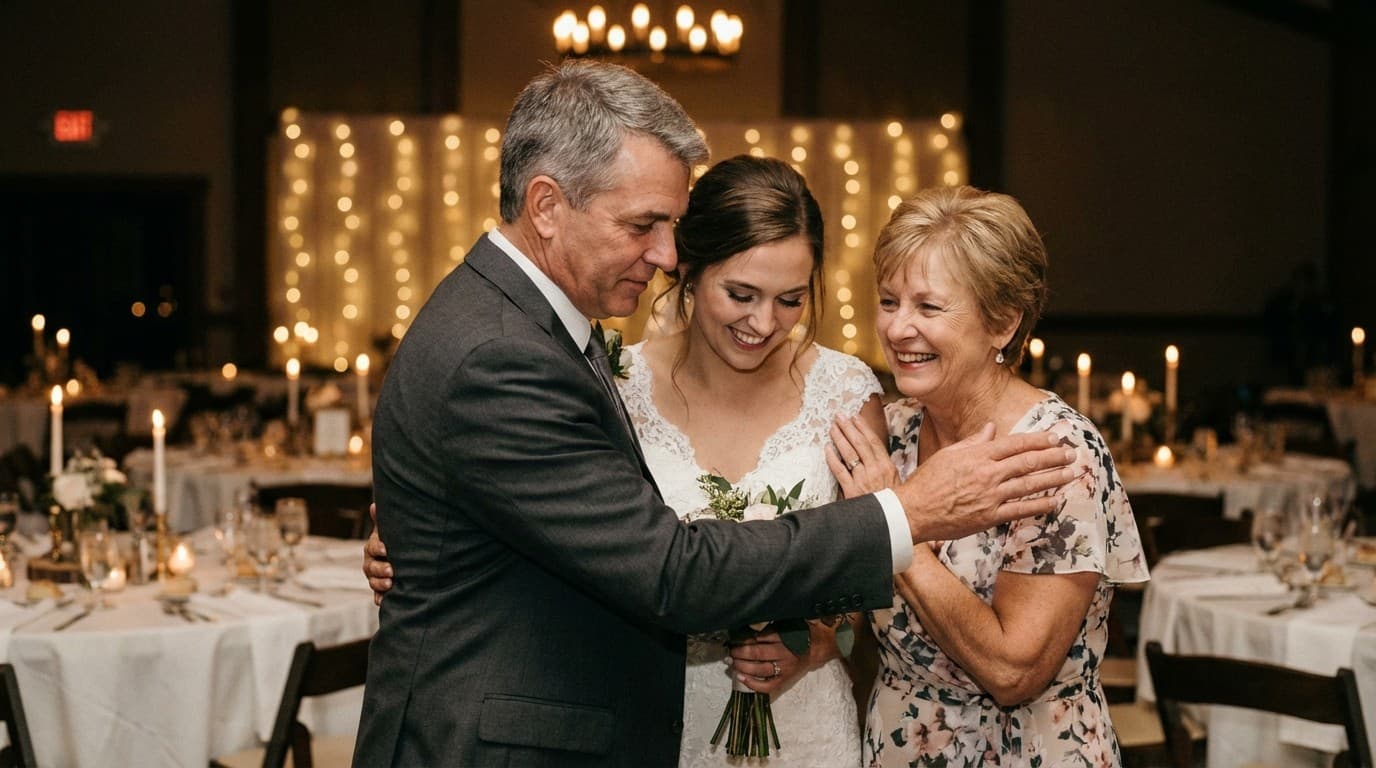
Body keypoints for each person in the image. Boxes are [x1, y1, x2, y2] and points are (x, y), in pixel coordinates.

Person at [354, 60, 1078, 768]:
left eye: (791, 299)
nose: (665, 254)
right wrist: (907, 514)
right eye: (643, 224)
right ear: (546, 204)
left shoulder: (535, 333)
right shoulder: (508, 353)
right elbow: (671, 571)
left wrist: (821, 637)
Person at [830, 186, 1149, 767]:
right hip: (897, 741)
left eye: (928, 307)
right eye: (889, 301)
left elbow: (1014, 670)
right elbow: (846, 605)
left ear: (1002, 323)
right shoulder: (889, 433)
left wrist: (893, 522)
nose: (899, 329)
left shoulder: (1053, 455)